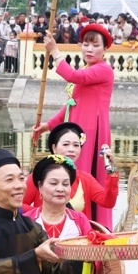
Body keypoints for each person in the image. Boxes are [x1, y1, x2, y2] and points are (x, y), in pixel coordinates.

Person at [32, 23, 115, 229]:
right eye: (85, 44)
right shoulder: (86, 68)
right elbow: (71, 103)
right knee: (69, 172)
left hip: (91, 132)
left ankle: (91, 225)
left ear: (105, 49)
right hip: (76, 128)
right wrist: (48, 125)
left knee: (84, 178)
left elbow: (72, 77)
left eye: (95, 45)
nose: (89, 49)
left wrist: (54, 51)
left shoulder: (103, 69)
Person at [22, 123, 118, 222]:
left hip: (78, 235)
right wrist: (43, 214)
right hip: (43, 234)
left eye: (76, 145)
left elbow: (108, 202)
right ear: (54, 148)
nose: (71, 149)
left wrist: (111, 172)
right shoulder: (39, 176)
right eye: (66, 144)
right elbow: (18, 205)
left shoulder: (86, 179)